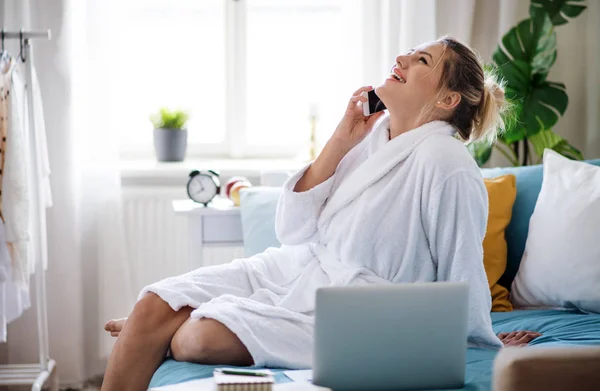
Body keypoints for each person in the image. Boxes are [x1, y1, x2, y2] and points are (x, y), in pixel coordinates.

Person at [101, 37, 541, 391]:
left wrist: (474, 338)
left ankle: (171, 325)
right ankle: (161, 322)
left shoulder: (447, 162)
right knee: (151, 304)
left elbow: (460, 267)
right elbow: (292, 230)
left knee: (195, 338)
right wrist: (341, 138)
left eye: (422, 59)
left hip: (358, 314)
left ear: (447, 99)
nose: (402, 57)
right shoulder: (373, 137)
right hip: (292, 270)